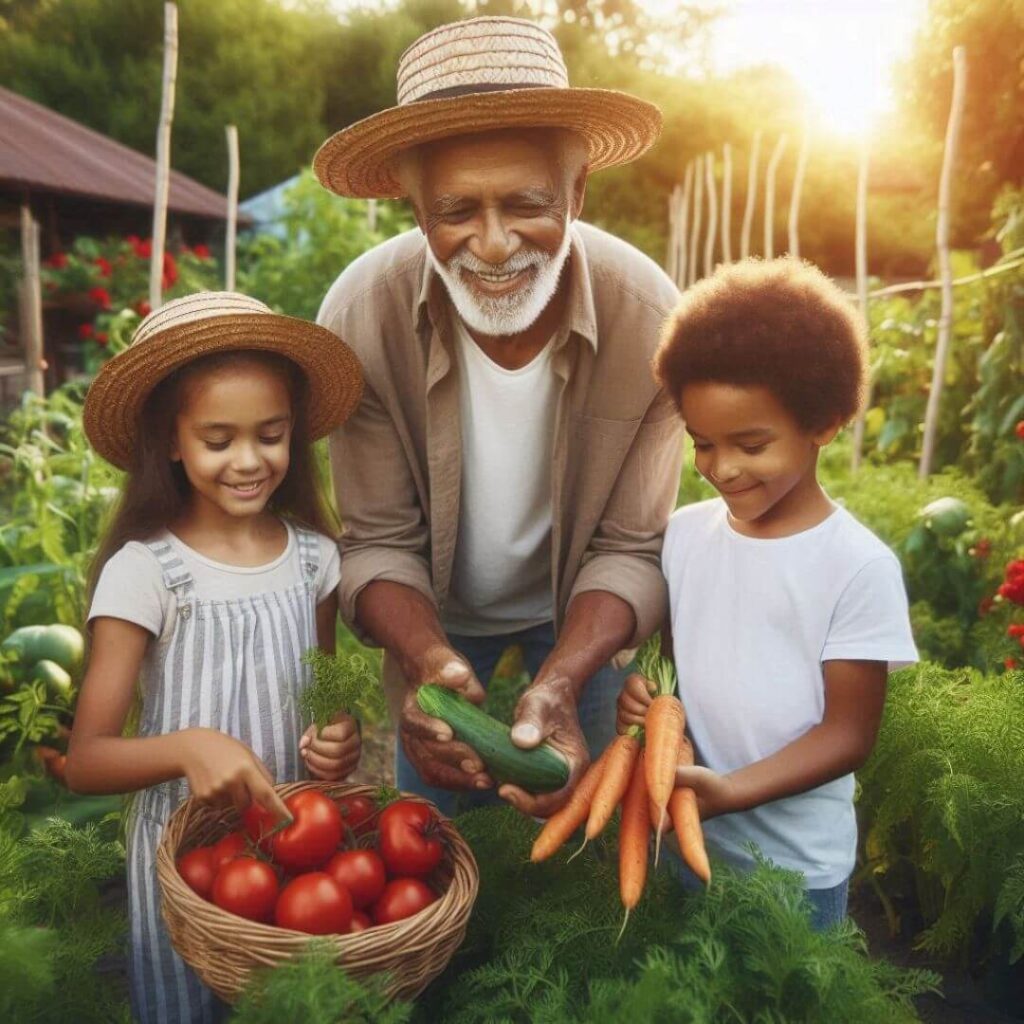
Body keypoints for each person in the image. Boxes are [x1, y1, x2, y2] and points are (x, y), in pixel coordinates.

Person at [314, 16, 683, 819]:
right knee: (440, 828)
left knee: (582, 822)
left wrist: (564, 674)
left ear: (578, 193)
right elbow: (377, 540)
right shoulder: (361, 316)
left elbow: (628, 547)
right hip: (431, 610)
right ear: (415, 211)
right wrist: (424, 659)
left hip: (580, 610)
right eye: (456, 211)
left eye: (526, 203)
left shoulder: (650, 319)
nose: (492, 243)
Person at [65, 292, 365, 1023]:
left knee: (288, 1004)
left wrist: (337, 739)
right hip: (183, 861)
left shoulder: (313, 560)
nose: (249, 460)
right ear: (171, 441)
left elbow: (321, 699)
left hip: (293, 851)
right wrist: (188, 746)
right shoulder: (147, 572)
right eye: (218, 439)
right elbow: (85, 761)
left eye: (270, 434)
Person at [617, 258, 918, 930]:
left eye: (751, 444)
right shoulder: (685, 535)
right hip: (688, 842)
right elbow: (676, 672)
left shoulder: (857, 564)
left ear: (824, 423)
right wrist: (649, 699)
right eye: (703, 444)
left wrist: (731, 791)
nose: (722, 468)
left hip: (797, 873)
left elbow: (848, 734)